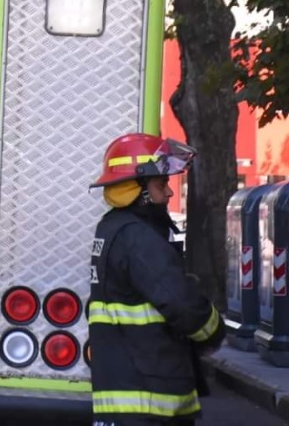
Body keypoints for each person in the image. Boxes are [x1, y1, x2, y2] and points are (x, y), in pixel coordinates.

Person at [87, 133, 225, 426]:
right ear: (140, 190)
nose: (169, 192)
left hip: (127, 391)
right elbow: (181, 304)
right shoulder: (138, 237)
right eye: (162, 184)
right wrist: (213, 330)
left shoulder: (113, 228)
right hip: (148, 397)